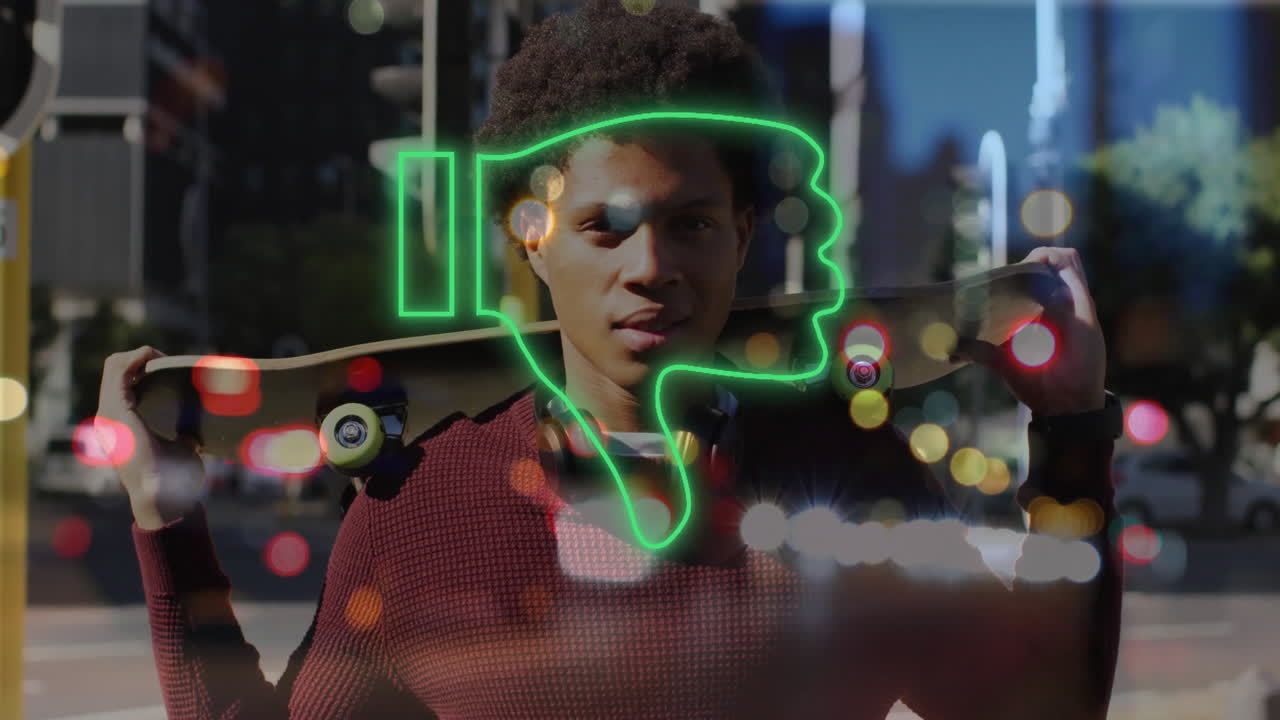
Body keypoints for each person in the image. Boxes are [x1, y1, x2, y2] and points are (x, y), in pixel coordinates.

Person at [98, 1, 1120, 717]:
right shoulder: (423, 510)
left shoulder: (845, 478)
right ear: (531, 239)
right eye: (603, 229)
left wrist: (1068, 430)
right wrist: (165, 518)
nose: (650, 269)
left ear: (744, 231)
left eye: (690, 224)